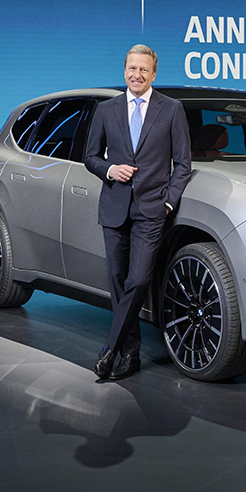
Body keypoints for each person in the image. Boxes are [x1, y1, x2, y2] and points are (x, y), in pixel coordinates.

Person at [83, 45, 192, 380]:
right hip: (114, 207)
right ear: (125, 70)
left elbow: (183, 165)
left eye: (144, 70)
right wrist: (109, 170)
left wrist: (168, 202)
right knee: (117, 283)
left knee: (139, 279)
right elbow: (90, 157)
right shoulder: (106, 109)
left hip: (151, 210)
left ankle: (110, 350)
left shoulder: (172, 110)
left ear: (154, 74)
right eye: (132, 68)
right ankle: (130, 355)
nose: (137, 75)